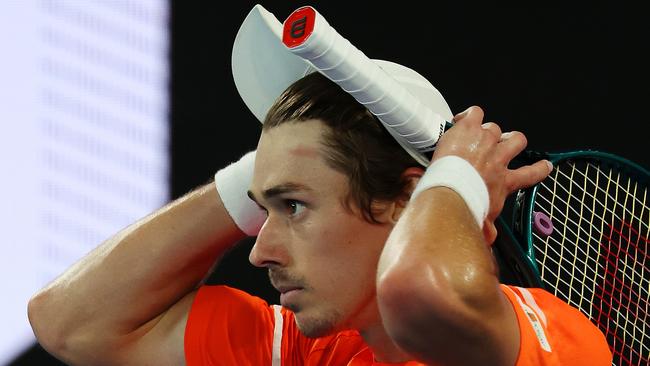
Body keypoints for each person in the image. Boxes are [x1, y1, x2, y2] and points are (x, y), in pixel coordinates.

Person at [28, 5, 612, 366]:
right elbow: (70, 323)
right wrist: (263, 174)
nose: (259, 249)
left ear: (407, 199)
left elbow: (420, 297)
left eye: (295, 207)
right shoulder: (311, 352)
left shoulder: (550, 341)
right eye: (264, 212)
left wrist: (456, 177)